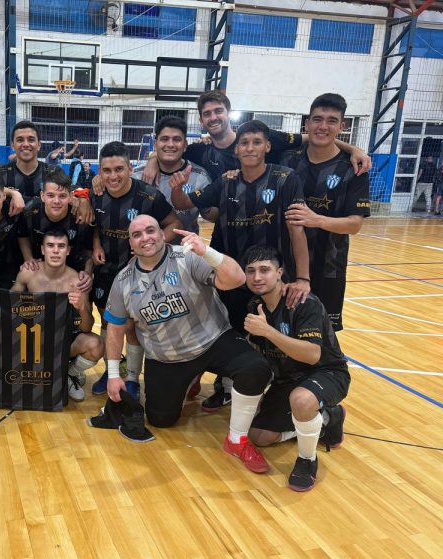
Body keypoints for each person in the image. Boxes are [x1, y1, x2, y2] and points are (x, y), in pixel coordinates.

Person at [104, 216, 273, 473]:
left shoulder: (188, 257)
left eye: (151, 231)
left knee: (257, 369)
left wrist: (208, 252)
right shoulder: (123, 281)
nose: (145, 238)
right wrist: (114, 375)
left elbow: (237, 279)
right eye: (137, 235)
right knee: (161, 420)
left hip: (214, 340)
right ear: (131, 244)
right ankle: (189, 378)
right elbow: (115, 330)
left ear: (163, 234)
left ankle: (237, 439)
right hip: (167, 358)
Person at [170, 120, 310, 412]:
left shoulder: (286, 179)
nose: (250, 148)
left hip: (270, 276)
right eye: (244, 143)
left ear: (267, 146)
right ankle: (225, 387)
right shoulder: (226, 181)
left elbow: (297, 230)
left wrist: (303, 278)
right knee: (230, 329)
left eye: (257, 142)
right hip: (233, 274)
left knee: (273, 334)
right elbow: (183, 203)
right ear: (236, 149)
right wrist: (178, 188)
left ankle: (283, 395)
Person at [243, 245, 349, 492]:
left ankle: (307, 460)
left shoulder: (304, 302)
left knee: (301, 400)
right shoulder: (254, 305)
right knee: (259, 437)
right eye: (250, 271)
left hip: (327, 372)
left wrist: (268, 331)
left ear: (279, 272)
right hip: (288, 378)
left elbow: (312, 355)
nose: (257, 277)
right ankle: (328, 418)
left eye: (264, 270)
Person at [90, 141, 180, 400]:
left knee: (131, 325)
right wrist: (96, 244)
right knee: (109, 321)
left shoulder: (149, 196)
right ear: (99, 172)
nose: (113, 176)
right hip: (107, 269)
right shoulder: (95, 194)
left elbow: (174, 223)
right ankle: (111, 372)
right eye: (106, 171)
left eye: (119, 169)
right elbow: (94, 224)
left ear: (131, 168)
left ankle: (131, 378)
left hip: (141, 272)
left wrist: (150, 247)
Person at [141, 90, 371, 183]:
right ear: (201, 120)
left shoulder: (262, 136)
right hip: (228, 226)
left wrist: (353, 149)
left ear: (228, 113)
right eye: (207, 114)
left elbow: (312, 136)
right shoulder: (199, 150)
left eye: (218, 111)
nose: (213, 117)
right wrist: (152, 160)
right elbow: (170, 152)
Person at [282, 93, 371, 331]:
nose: (323, 126)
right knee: (283, 330)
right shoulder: (287, 160)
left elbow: (354, 225)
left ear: (342, 127)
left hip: (328, 267)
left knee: (321, 336)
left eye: (332, 121)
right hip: (285, 265)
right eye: (317, 119)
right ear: (307, 123)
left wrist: (316, 219)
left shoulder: (353, 168)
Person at [12, 226, 103, 401]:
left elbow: (87, 327)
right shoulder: (28, 273)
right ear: (42, 249)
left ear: (68, 251)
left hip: (63, 341)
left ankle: (67, 374)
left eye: (61, 246)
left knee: (95, 344)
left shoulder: (77, 281)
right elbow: (8, 306)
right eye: (50, 245)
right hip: (32, 340)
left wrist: (81, 307)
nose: (55, 251)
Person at [132, 115, 212, 235]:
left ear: (185, 145)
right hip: (145, 246)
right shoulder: (136, 176)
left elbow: (210, 214)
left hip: (185, 246)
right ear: (155, 144)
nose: (170, 144)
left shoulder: (200, 177)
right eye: (164, 139)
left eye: (176, 139)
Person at [17, 169, 93, 291]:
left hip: (74, 270)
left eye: (62, 196)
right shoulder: (29, 211)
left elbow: (88, 251)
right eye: (50, 195)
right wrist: (28, 258)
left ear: (70, 196)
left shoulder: (80, 215)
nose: (56, 201)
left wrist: (88, 272)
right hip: (38, 269)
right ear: (42, 196)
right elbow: (22, 234)